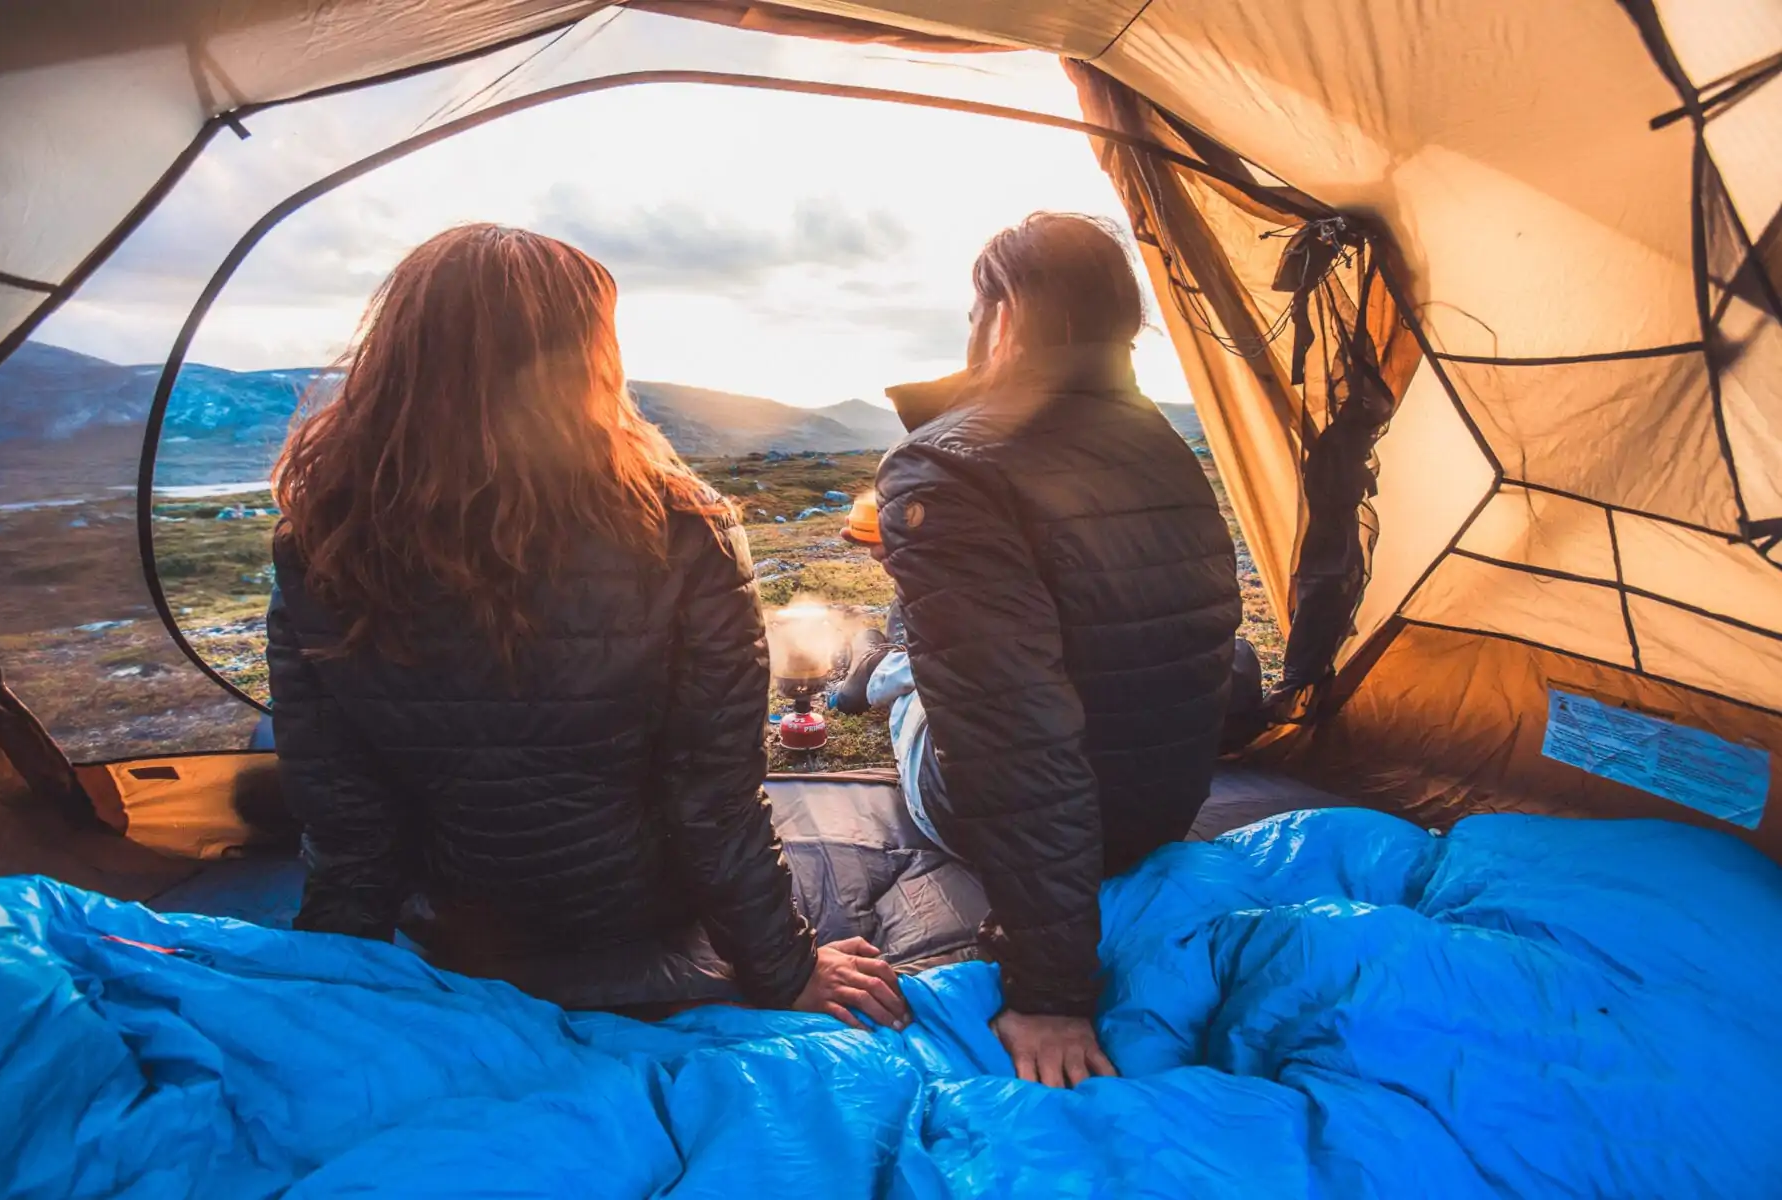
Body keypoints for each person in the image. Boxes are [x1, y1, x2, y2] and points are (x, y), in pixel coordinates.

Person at [266, 223, 904, 1030]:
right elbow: (712, 797)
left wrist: (335, 986)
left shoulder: (319, 537)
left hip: (460, 928)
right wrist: (786, 968)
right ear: (587, 363)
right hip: (641, 917)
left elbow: (342, 811)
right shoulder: (680, 526)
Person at [840, 213, 1241, 1086]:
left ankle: (883, 670)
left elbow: (1009, 733)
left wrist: (1053, 990)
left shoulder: (944, 466)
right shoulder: (1157, 437)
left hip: (1028, 820)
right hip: (1159, 806)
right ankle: (900, 657)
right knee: (978, 651)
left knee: (921, 678)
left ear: (1004, 312)